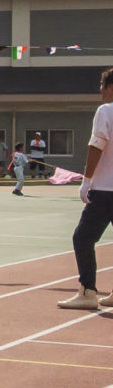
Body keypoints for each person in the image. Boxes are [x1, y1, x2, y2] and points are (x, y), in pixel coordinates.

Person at [58, 68, 113, 310]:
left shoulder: (106, 111)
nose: (100, 90)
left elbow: (97, 145)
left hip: (104, 190)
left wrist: (87, 180)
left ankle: (88, 291)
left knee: (83, 238)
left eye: (102, 85)